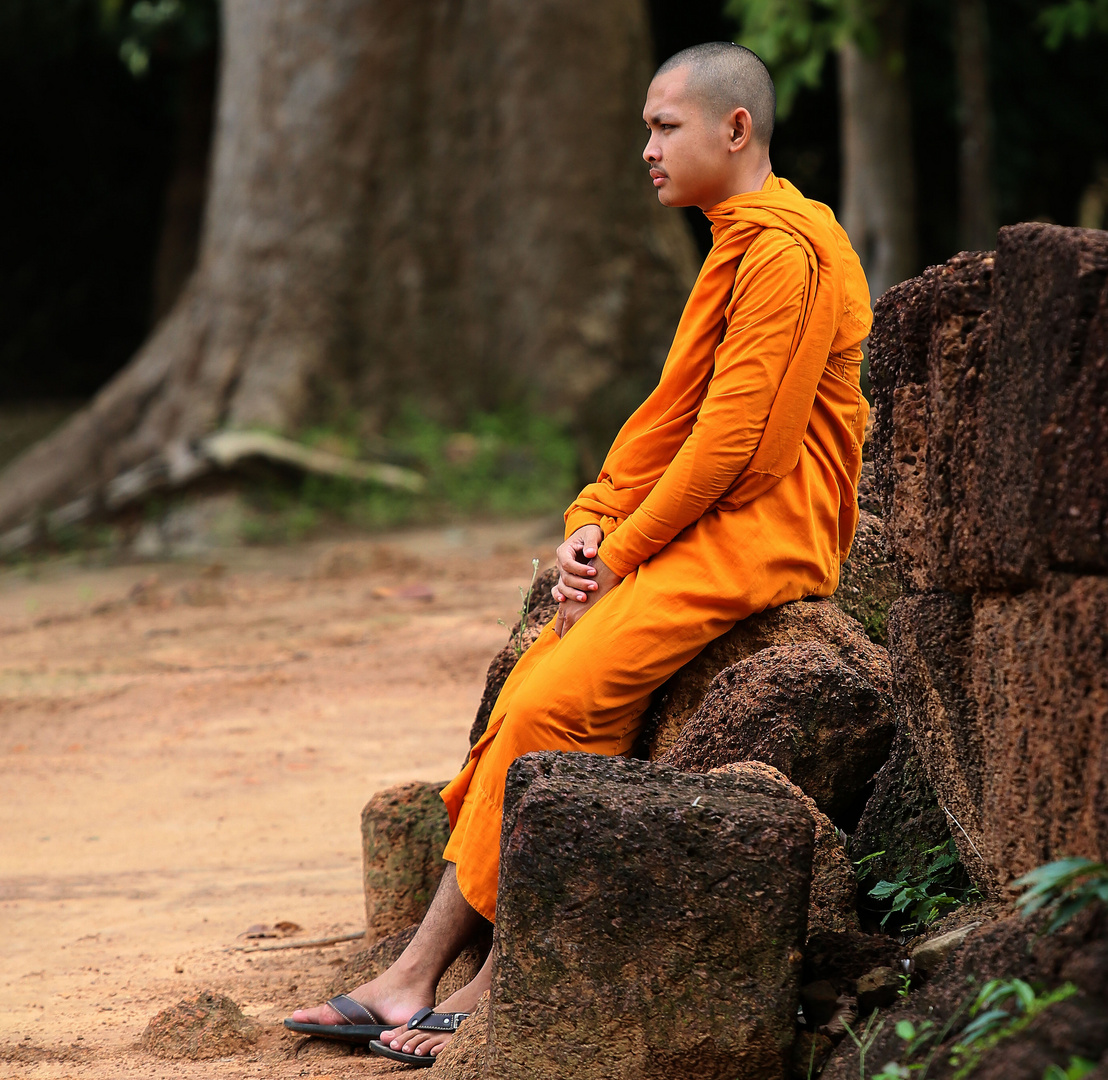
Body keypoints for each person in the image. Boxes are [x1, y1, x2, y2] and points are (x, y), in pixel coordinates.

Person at [286, 40, 872, 1066]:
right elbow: (671, 415)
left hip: (767, 529)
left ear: (735, 129)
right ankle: (411, 979)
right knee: (530, 692)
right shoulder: (735, 240)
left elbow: (745, 447)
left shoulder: (787, 248)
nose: (644, 148)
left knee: (559, 705)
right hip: (705, 520)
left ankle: (496, 983)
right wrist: (594, 513)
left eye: (663, 126)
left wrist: (627, 548)